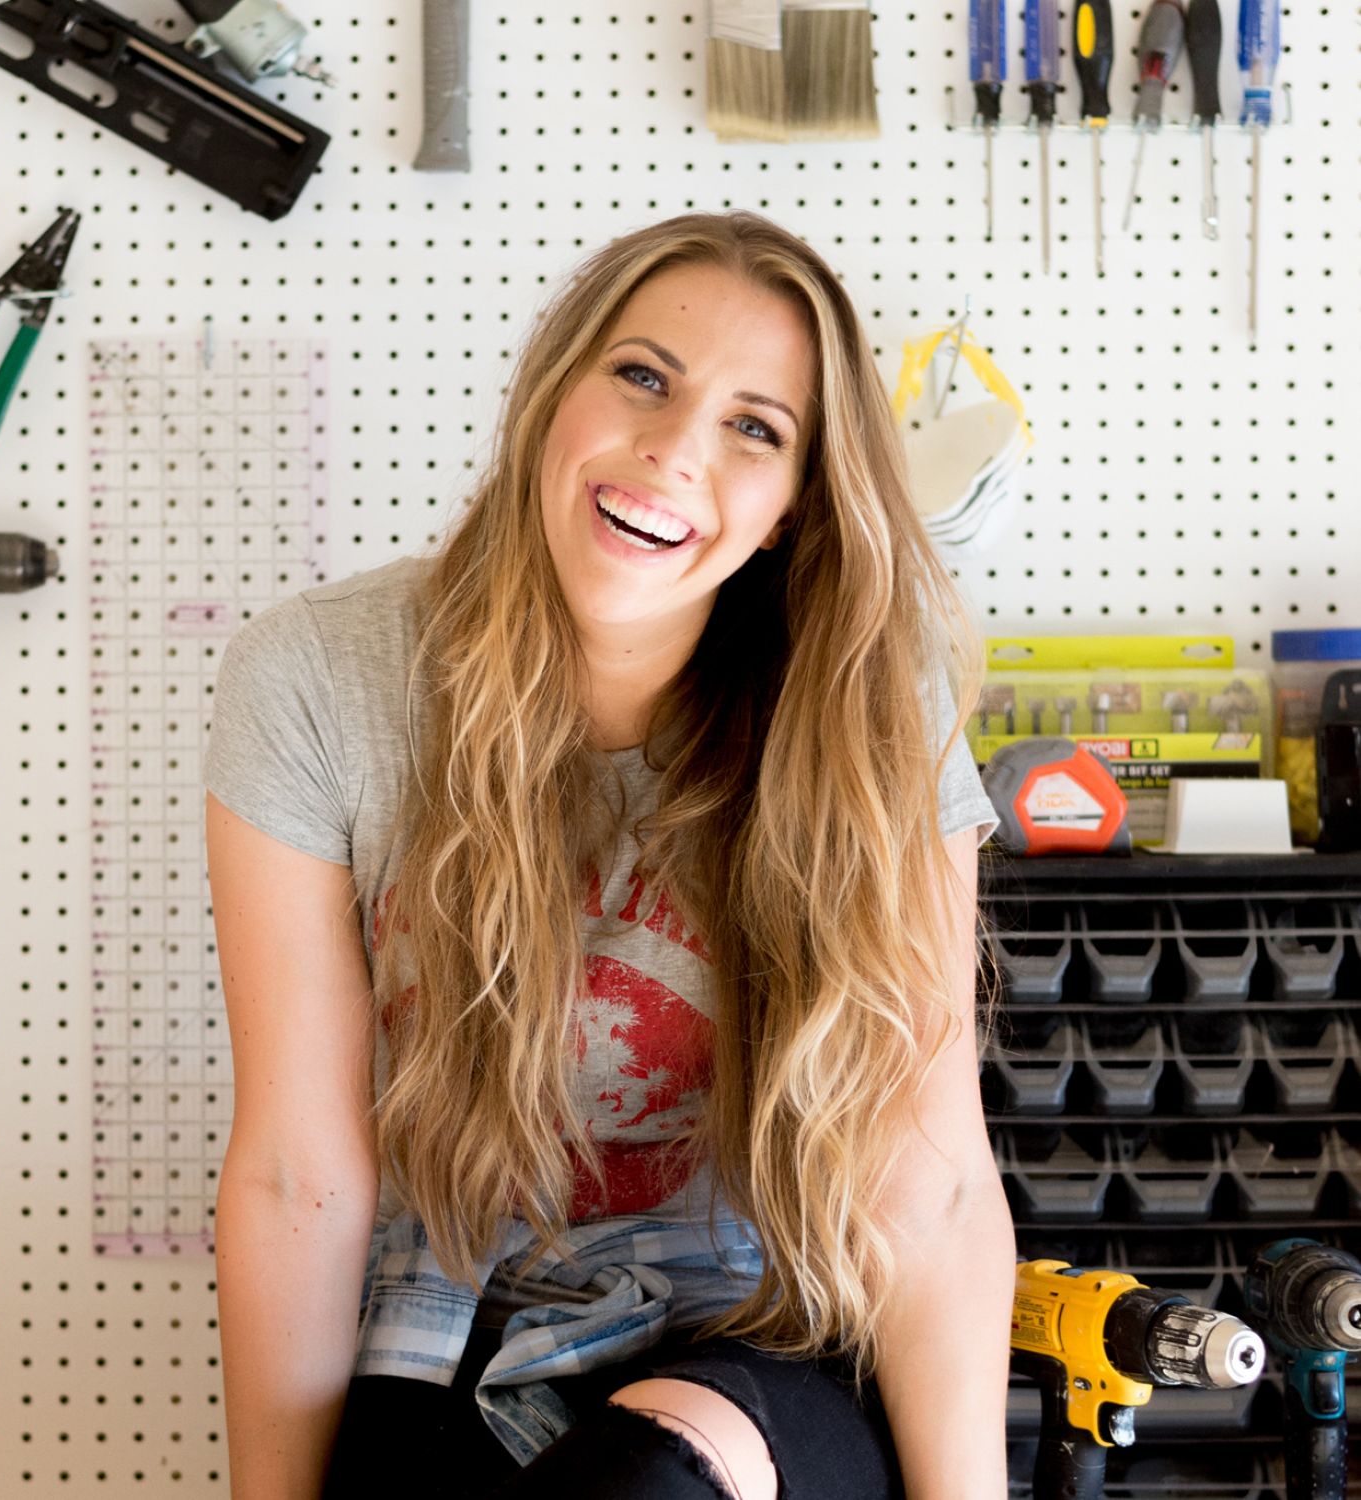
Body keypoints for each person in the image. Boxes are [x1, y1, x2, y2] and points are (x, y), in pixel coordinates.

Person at [204, 209, 1015, 1500]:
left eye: (757, 427)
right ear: (551, 391)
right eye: (644, 376)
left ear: (796, 503)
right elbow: (300, 1173)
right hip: (450, 1334)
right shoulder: (318, 678)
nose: (675, 450)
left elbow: (933, 1184)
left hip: (762, 1345)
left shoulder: (868, 696)